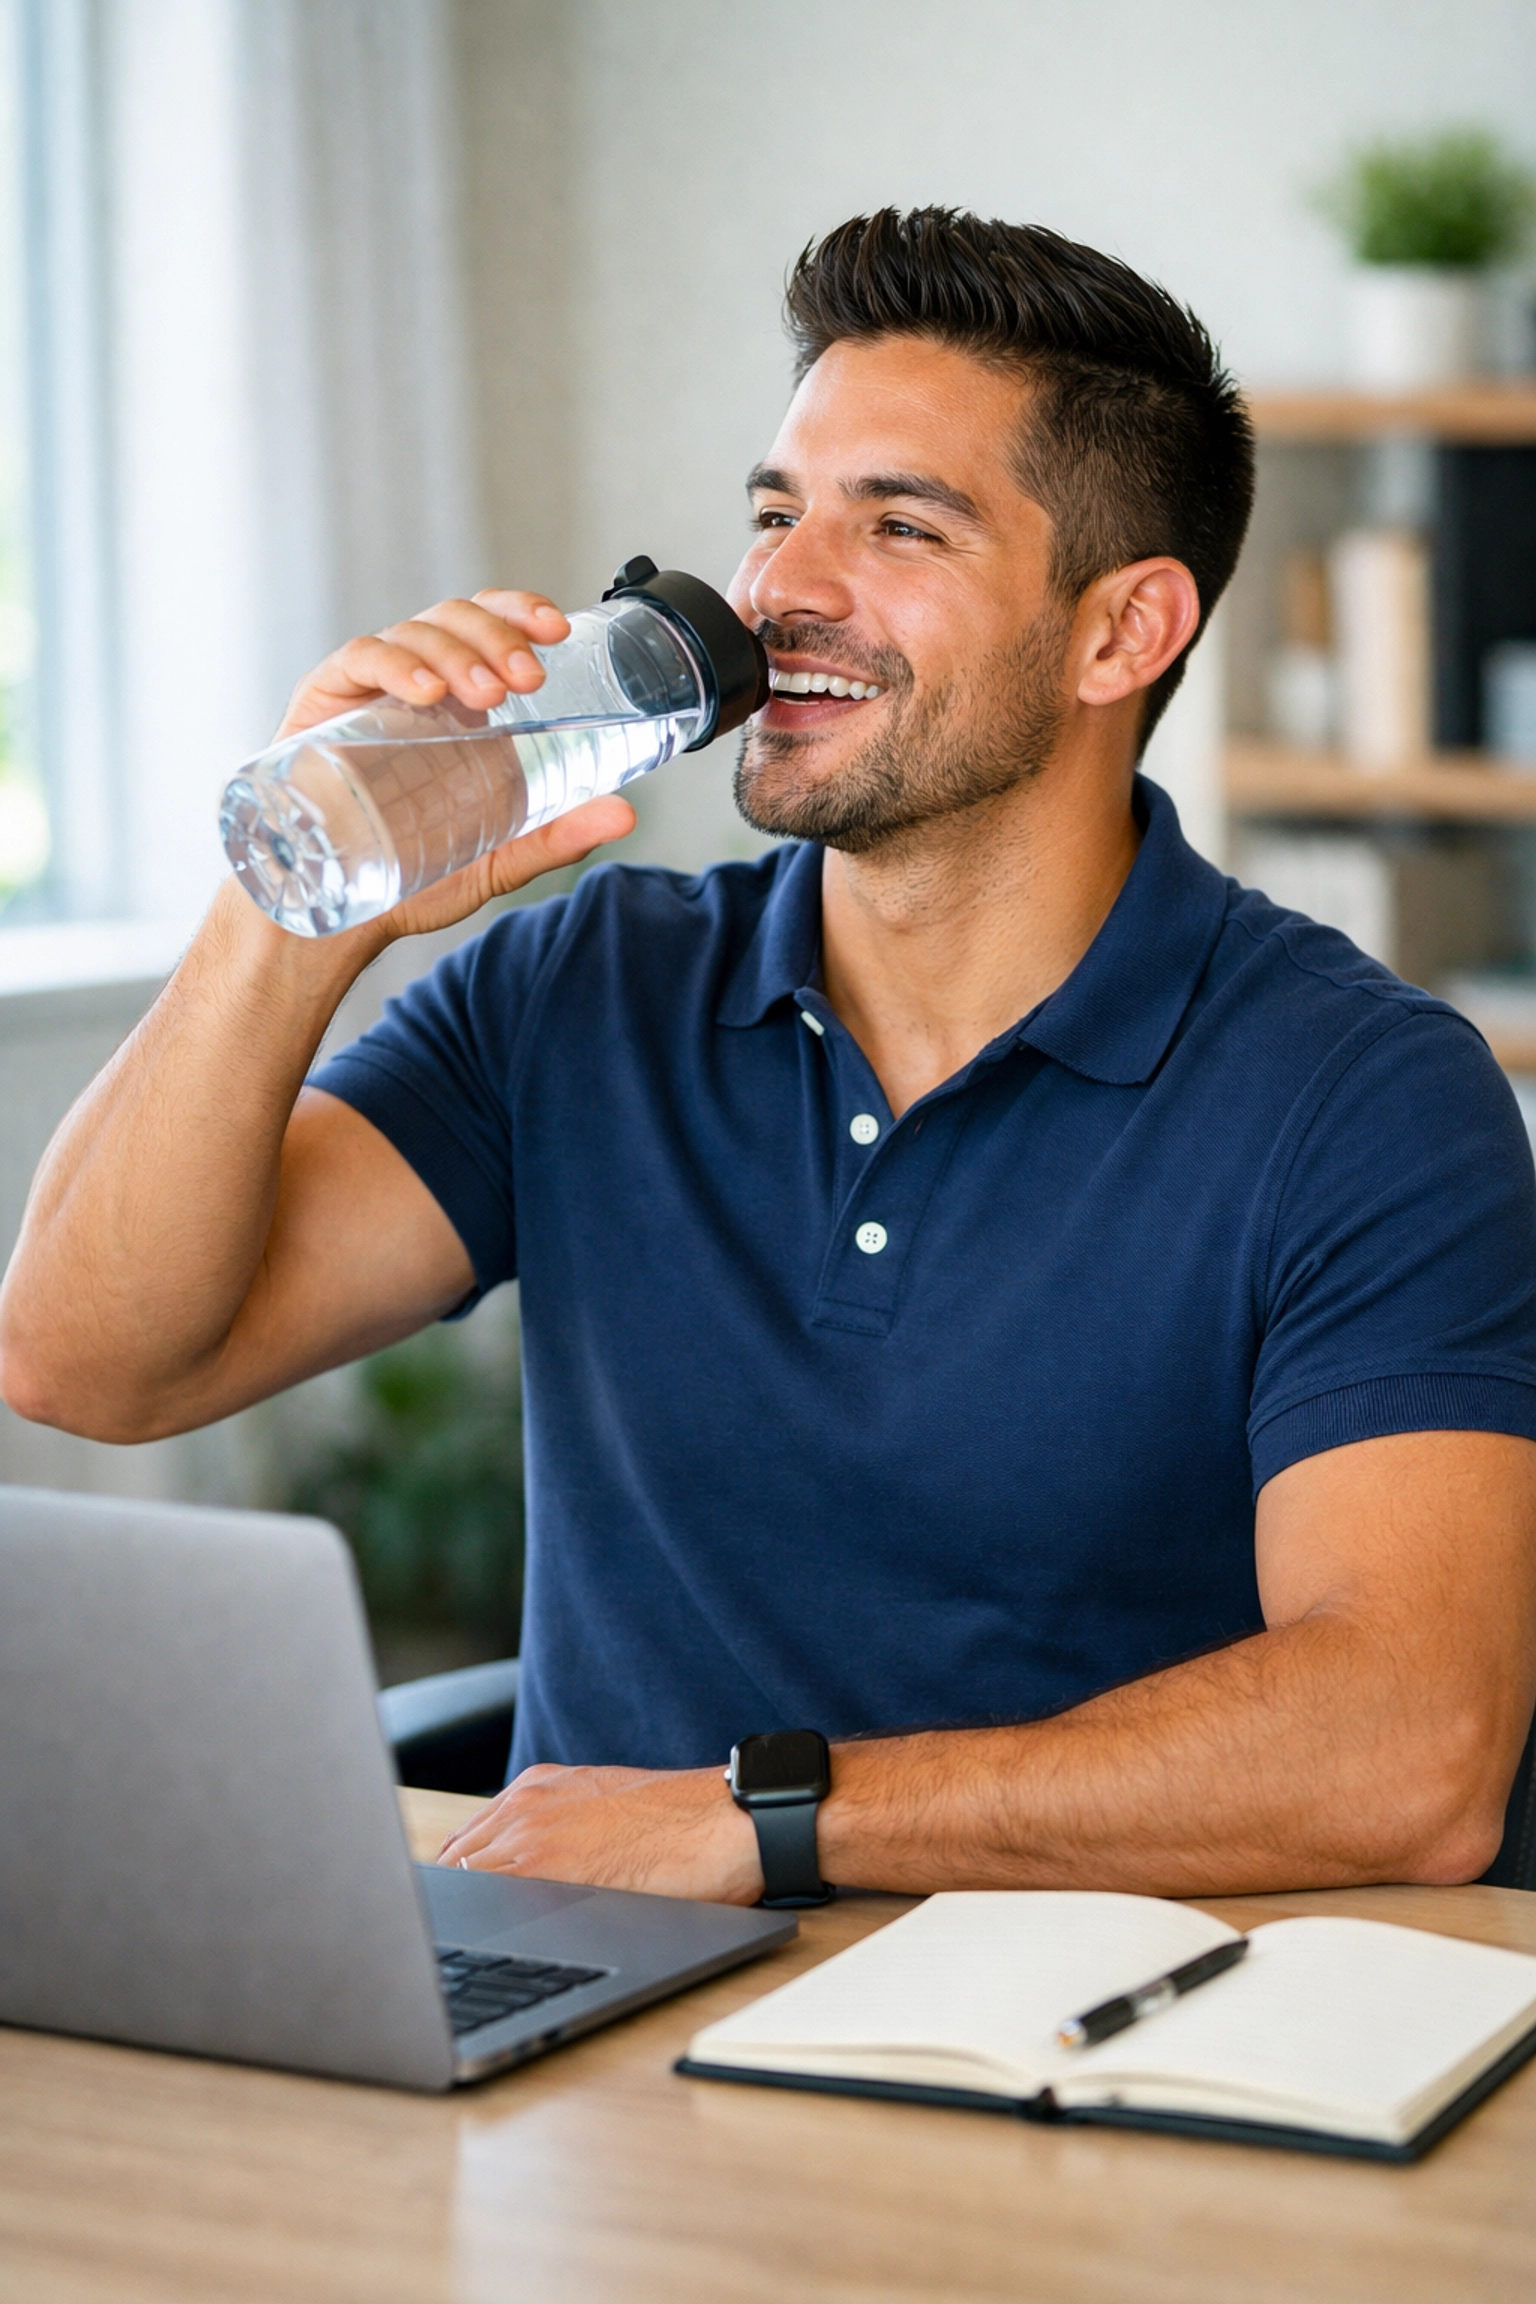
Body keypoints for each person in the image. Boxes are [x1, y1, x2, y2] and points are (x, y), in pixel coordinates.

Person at [3, 209, 1535, 1906]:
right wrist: (299, 892)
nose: (784, 590)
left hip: (1082, 2052)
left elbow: (1417, 1745)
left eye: (899, 526)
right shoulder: (585, 984)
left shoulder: (1366, 1097)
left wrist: (762, 1820)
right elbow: (90, 1365)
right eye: (773, 514)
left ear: (1123, 633)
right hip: (588, 2043)